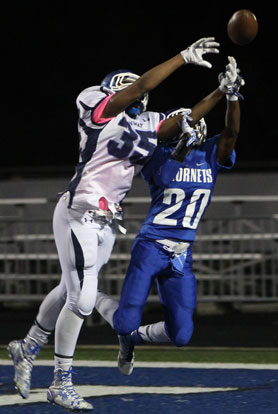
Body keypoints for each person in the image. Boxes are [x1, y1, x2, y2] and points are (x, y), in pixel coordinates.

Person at [7, 37, 220, 411]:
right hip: (78, 212)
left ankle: (27, 347)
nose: (138, 97)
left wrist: (221, 92)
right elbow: (140, 86)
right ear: (109, 91)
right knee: (83, 298)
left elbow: (181, 122)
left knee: (69, 288)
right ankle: (61, 381)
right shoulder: (94, 106)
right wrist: (183, 57)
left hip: (107, 221)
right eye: (129, 90)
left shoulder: (146, 124)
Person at [95, 56, 245, 376]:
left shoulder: (210, 154)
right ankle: (96, 302)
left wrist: (231, 96)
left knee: (182, 335)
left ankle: (133, 338)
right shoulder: (155, 154)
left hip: (181, 255)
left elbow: (231, 131)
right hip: (150, 247)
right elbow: (161, 160)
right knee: (123, 319)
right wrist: (177, 144)